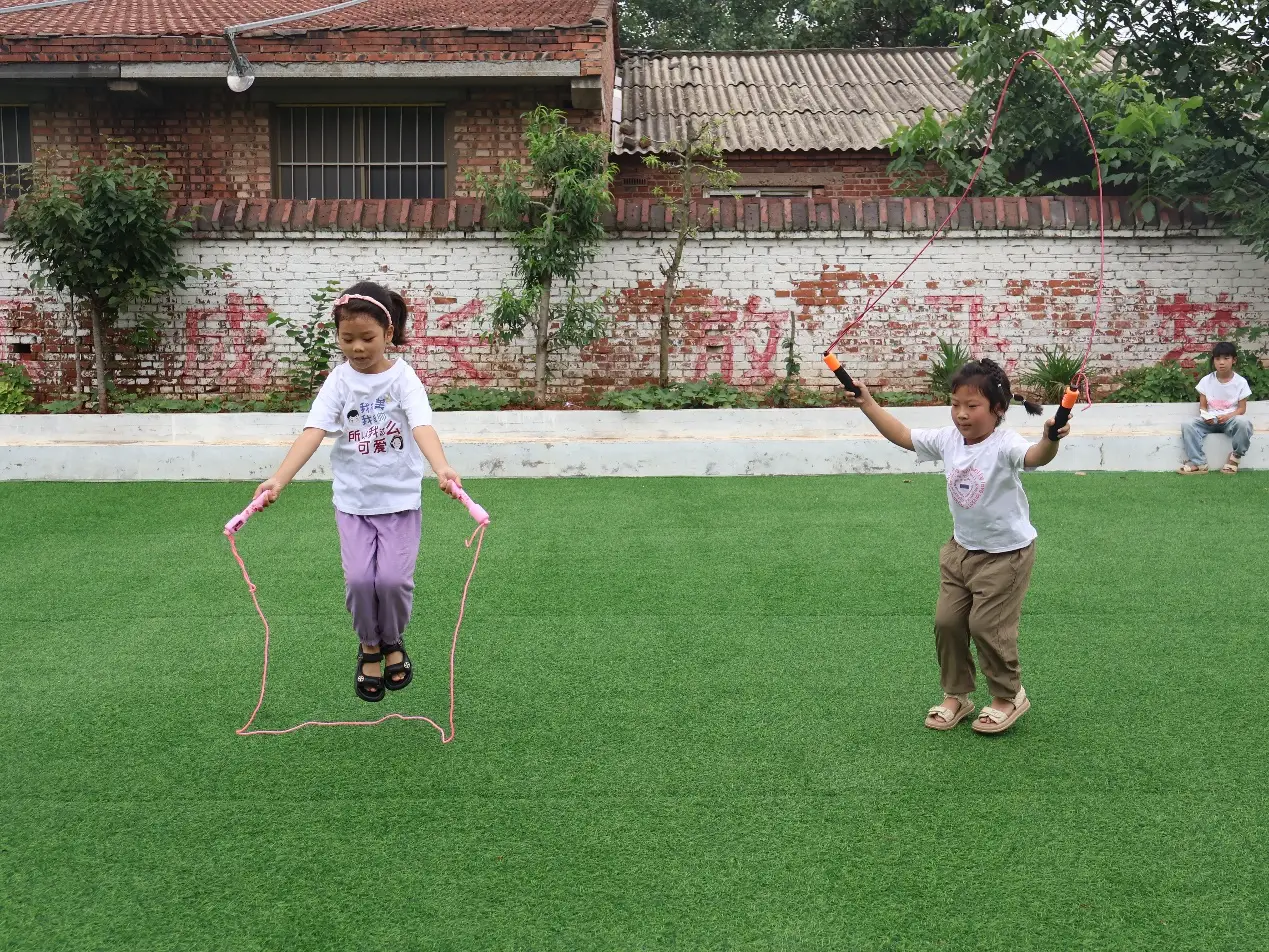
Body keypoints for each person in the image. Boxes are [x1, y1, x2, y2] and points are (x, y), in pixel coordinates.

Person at [252, 281, 462, 702]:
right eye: (347, 339)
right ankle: (370, 644)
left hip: (400, 502)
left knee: (393, 581)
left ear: (388, 333)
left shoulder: (405, 379)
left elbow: (422, 426)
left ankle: (393, 639)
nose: (357, 348)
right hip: (353, 504)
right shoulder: (338, 382)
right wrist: (279, 478)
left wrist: (441, 468)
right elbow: (314, 432)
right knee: (360, 581)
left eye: (367, 338)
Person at [847, 358, 1069, 734]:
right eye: (955, 404)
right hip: (960, 551)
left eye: (972, 406)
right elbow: (903, 435)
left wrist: (1050, 437)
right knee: (947, 623)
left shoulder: (1005, 444)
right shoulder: (949, 440)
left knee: (987, 625)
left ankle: (1008, 695)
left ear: (998, 408)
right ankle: (957, 695)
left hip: (1006, 555)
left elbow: (1035, 457)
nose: (961, 414)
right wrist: (868, 403)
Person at [1177, 341, 1253, 475]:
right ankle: (1199, 463)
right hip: (1210, 421)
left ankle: (1234, 458)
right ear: (1214, 361)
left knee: (1244, 423)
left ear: (1234, 360)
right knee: (1188, 425)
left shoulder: (1240, 382)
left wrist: (1228, 416)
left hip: (1230, 420)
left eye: (1226, 358)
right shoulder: (1206, 380)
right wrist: (1206, 416)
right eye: (1217, 359)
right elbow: (1203, 406)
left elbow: (1241, 409)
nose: (1221, 362)